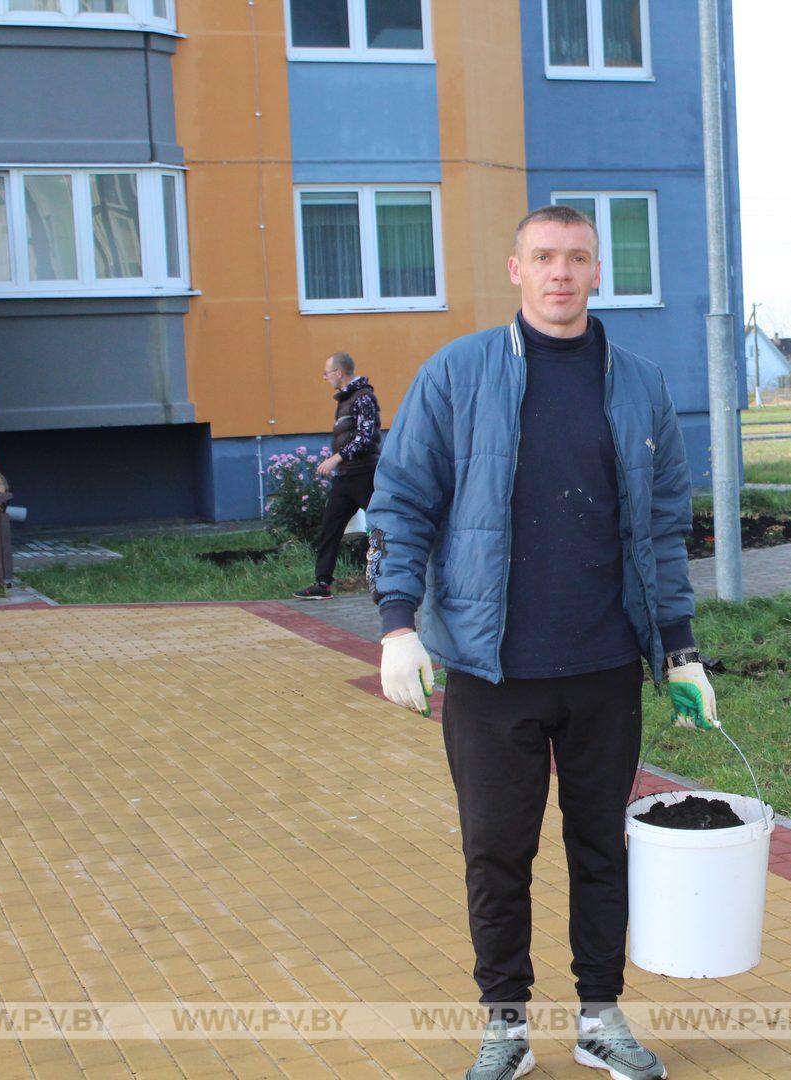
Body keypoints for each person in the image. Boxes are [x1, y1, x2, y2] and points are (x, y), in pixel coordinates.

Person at [366, 204, 717, 1080]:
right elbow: (402, 500)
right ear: (516, 270)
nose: (562, 273)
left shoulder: (637, 382)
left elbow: (665, 527)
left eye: (579, 258)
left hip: (603, 666)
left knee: (601, 846)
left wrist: (678, 647)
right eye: (545, 257)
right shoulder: (458, 374)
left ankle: (601, 1017)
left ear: (599, 272)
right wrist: (397, 624)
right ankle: (505, 1027)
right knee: (497, 849)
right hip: (493, 670)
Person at [292, 352, 382, 601]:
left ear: (339, 373)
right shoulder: (345, 400)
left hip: (363, 474)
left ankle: (397, 576)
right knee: (330, 528)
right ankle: (322, 583)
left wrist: (336, 458)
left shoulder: (363, 397)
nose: (325, 377)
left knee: (383, 526)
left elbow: (364, 437)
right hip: (345, 477)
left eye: (327, 372)